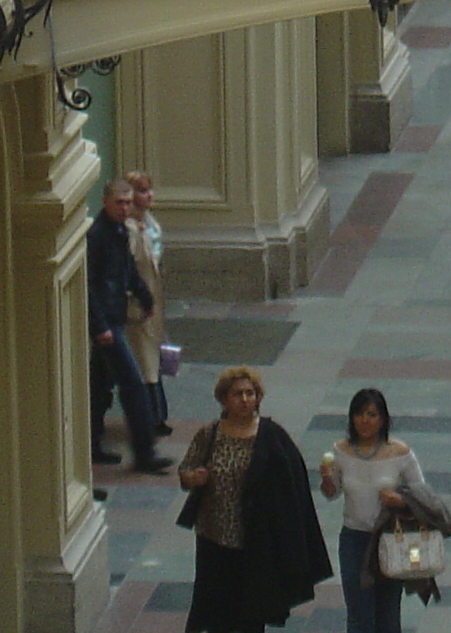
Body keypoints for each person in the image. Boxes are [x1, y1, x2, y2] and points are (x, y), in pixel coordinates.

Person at [175, 366, 334, 633]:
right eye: (238, 394)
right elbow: (185, 472)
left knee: (251, 613)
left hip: (256, 543)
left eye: (250, 393)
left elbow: (292, 485)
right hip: (214, 539)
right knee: (215, 611)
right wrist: (194, 478)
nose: (245, 400)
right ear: (224, 399)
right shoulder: (210, 434)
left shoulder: (271, 436)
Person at [315, 387, 426, 633]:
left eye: (371, 414)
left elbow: (422, 495)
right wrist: (327, 481)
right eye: (359, 414)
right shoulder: (341, 451)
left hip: (390, 537)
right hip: (355, 538)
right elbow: (331, 494)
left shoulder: (400, 453)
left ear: (383, 419)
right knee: (358, 612)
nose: (364, 420)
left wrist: (400, 501)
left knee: (387, 612)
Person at [90, 177, 173, 473]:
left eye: (128, 202)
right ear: (106, 201)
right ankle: (144, 453)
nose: (125, 208)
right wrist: (100, 326)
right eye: (119, 203)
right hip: (107, 324)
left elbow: (126, 269)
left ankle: (91, 443)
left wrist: (144, 296)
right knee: (133, 385)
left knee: (98, 387)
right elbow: (90, 285)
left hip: (115, 317)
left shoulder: (117, 233)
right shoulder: (98, 236)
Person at [125, 168, 172, 436]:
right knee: (145, 362)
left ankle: (156, 415)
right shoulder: (131, 230)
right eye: (142, 191)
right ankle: (151, 417)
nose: (149, 195)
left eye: (149, 189)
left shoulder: (150, 223)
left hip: (152, 301)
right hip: (138, 307)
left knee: (151, 358)